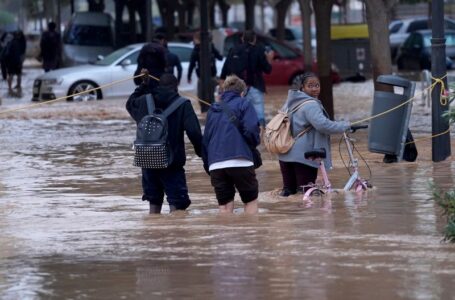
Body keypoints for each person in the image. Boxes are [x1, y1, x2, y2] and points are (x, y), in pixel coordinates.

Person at [126, 73, 203, 214]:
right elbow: (194, 132)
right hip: (172, 163)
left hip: (147, 161)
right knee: (177, 204)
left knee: (154, 202)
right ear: (176, 87)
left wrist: (143, 86)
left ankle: (154, 233)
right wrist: (202, 153)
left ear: (159, 85)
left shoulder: (143, 101)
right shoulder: (183, 104)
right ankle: (174, 233)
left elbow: (130, 103)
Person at [277, 72, 351, 197]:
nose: (315, 88)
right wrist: (345, 126)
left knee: (289, 194)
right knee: (307, 194)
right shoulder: (311, 104)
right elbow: (323, 125)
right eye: (310, 86)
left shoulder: (289, 103)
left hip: (285, 154)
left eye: (317, 85)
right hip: (304, 157)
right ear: (302, 88)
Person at [202, 75, 260, 214]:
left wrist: (208, 165)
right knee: (250, 201)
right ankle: (252, 234)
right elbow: (251, 130)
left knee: (224, 207)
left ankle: (226, 234)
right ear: (242, 92)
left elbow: (206, 140)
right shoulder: (244, 103)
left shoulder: (213, 109)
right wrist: (252, 145)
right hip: (241, 161)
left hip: (216, 164)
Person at [220, 30, 274, 128]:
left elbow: (225, 69)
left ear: (242, 39)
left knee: (238, 113)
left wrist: (222, 86)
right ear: (254, 39)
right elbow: (268, 70)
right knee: (259, 114)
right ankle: (260, 136)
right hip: (255, 86)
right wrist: (269, 59)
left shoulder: (233, 50)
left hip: (237, 88)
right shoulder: (259, 50)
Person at [187, 31, 223, 113]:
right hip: (211, 75)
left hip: (203, 77)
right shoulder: (210, 47)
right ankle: (211, 110)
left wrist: (189, 76)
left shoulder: (197, 49)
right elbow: (220, 57)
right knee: (211, 95)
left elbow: (192, 64)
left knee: (202, 95)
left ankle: (206, 110)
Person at [4, 30, 26, 95]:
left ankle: (10, 87)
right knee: (18, 74)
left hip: (11, 61)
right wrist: (20, 61)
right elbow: (21, 53)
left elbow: (6, 53)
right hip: (16, 61)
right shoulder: (20, 43)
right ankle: (17, 86)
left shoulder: (11, 42)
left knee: (11, 74)